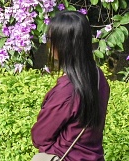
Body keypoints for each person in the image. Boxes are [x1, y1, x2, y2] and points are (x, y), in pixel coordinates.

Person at [31, 10, 110, 161]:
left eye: (49, 39)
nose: (48, 44)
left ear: (62, 45)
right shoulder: (98, 76)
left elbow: (40, 136)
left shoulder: (67, 90)